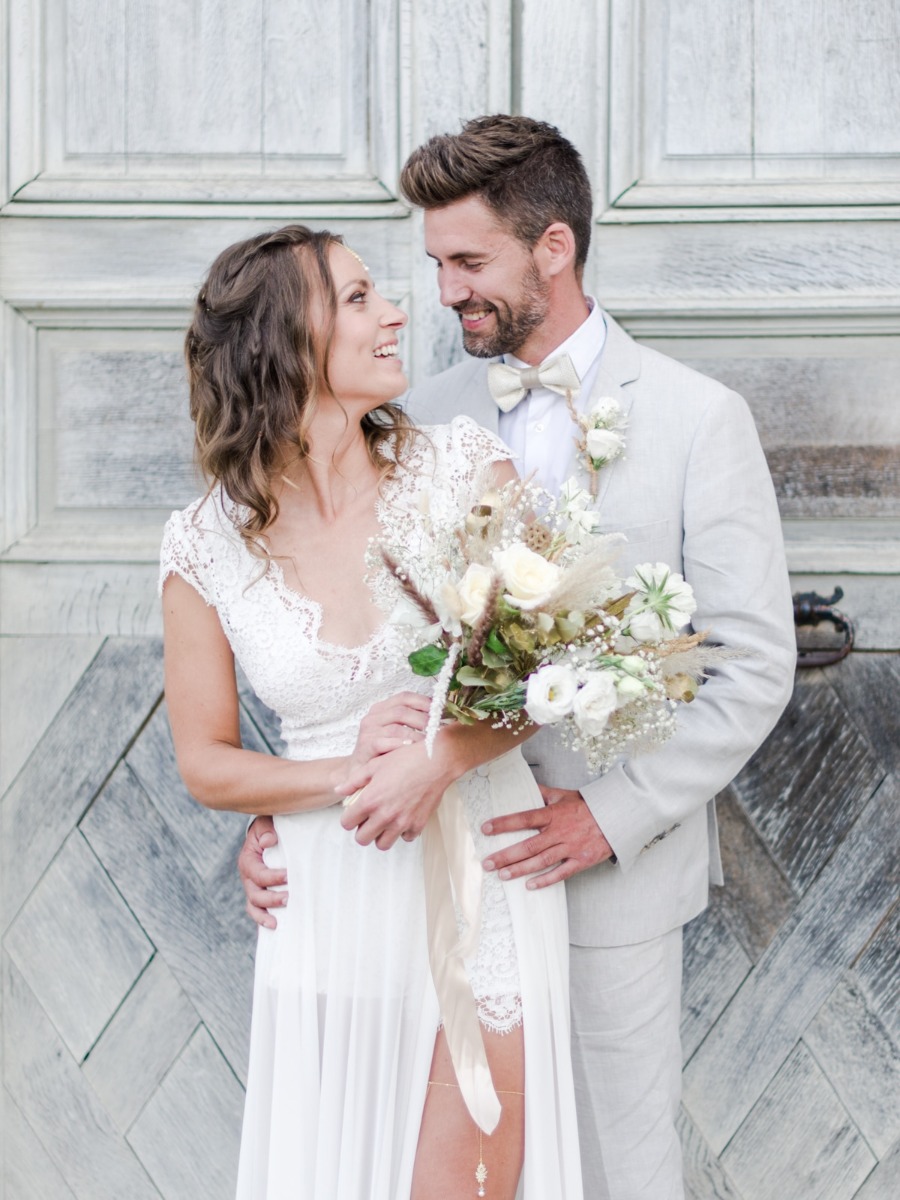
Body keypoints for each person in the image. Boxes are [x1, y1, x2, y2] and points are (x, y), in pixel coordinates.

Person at [239, 117, 797, 1199]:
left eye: (468, 262)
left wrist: (613, 817)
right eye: (436, 263)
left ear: (554, 249)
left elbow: (752, 665)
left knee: (617, 1173)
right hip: (422, 879)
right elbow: (342, 633)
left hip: (606, 885)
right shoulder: (408, 420)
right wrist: (293, 811)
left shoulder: (696, 420)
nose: (442, 292)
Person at [160, 224, 583, 1199]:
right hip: (327, 891)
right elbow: (208, 763)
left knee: (468, 1178)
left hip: (481, 875)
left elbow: (543, 676)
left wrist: (437, 756)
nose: (398, 311)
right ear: (281, 342)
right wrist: (343, 777)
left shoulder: (463, 471)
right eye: (357, 299)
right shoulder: (201, 547)